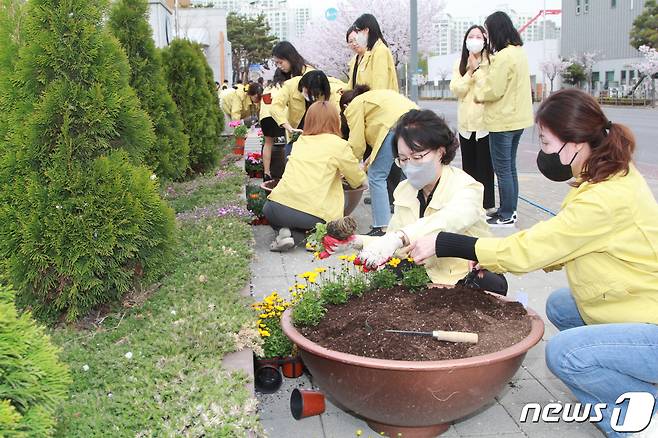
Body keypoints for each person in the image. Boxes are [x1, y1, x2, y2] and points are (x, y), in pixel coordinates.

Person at [407, 89, 658, 438]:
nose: (543, 152)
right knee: (561, 305)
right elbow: (563, 242)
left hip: (652, 324)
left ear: (574, 143)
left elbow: (535, 248)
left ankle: (642, 423)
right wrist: (495, 257)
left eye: (545, 141)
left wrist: (452, 243)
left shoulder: (604, 197)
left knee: (565, 355)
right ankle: (625, 380)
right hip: (639, 301)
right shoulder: (608, 174)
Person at [352, 109, 490, 285]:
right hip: (423, 273)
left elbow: (448, 221)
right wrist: (355, 241)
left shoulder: (467, 187)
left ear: (440, 152)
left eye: (417, 156)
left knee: (487, 285)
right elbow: (394, 242)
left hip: (463, 275)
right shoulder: (404, 190)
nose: (410, 166)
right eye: (403, 159)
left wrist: (398, 238)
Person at [264, 101, 366, 252]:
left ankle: (284, 233)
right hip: (314, 215)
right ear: (335, 120)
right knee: (331, 209)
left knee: (272, 208)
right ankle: (315, 237)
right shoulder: (339, 145)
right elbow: (357, 180)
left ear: (309, 119)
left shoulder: (300, 142)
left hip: (276, 209)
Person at [473, 11, 533, 227]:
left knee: (503, 170)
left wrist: (479, 94)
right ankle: (510, 209)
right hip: (518, 121)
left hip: (502, 121)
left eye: (488, 31)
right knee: (510, 168)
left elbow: (494, 90)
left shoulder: (503, 57)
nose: (487, 37)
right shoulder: (519, 53)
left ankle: (506, 214)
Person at [340, 85, 418, 235]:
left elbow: (357, 144)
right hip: (418, 121)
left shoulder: (354, 106)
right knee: (410, 174)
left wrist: (348, 166)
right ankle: (410, 222)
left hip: (395, 126)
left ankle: (382, 227)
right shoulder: (376, 96)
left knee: (377, 176)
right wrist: (366, 163)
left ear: (345, 106)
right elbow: (379, 147)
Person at [450, 25, 495, 215]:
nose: (475, 39)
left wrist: (477, 70)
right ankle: (471, 204)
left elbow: (487, 88)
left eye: (478, 36)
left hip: (485, 124)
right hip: (466, 125)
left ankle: (488, 205)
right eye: (471, 36)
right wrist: (469, 72)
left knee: (485, 168)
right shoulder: (460, 63)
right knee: (469, 168)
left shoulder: (492, 62)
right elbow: (456, 88)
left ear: (485, 40)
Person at [270, 70, 346, 153]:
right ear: (302, 85)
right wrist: (289, 127)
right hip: (296, 135)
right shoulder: (291, 85)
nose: (311, 96)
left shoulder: (333, 92)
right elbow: (275, 107)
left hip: (321, 138)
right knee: (292, 159)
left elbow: (337, 116)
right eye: (307, 92)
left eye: (315, 94)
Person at [345, 15, 398, 91]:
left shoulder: (380, 51)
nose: (357, 37)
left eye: (358, 31)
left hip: (377, 101)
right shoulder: (370, 52)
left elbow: (379, 87)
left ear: (366, 30)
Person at [257, 68, 287, 181]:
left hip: (265, 117)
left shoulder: (267, 88)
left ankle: (267, 172)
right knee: (288, 142)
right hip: (280, 116)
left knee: (268, 143)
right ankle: (287, 172)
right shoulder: (285, 87)